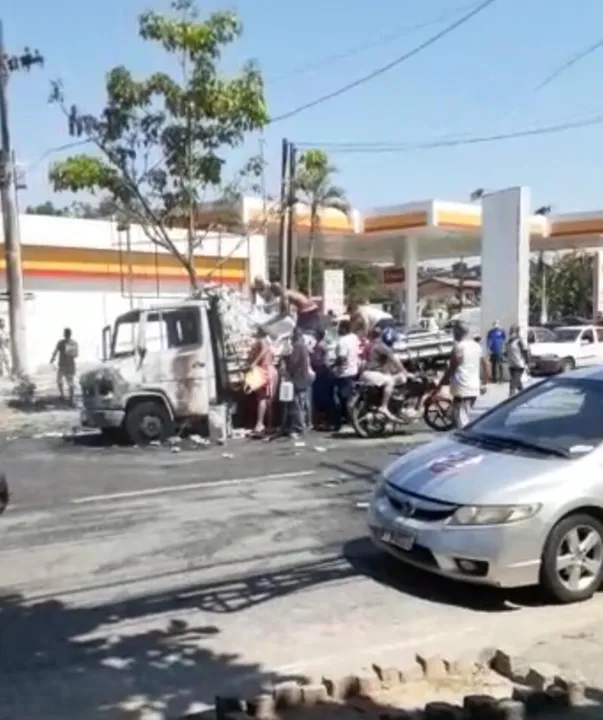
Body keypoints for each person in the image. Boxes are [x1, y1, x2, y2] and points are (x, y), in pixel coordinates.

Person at [433, 320, 487, 429]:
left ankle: (464, 439)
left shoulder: (459, 347)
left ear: (457, 332)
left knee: (460, 419)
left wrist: (441, 383)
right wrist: (485, 381)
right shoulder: (477, 346)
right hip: (474, 386)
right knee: (462, 415)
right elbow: (486, 364)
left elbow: (452, 368)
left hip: (462, 387)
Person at [360, 326, 411, 420]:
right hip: (372, 374)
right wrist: (404, 371)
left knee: (389, 378)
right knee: (390, 381)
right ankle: (384, 407)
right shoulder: (382, 347)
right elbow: (395, 361)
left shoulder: (368, 345)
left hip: (365, 374)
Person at [282, 327, 313, 439]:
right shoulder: (303, 346)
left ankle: (299, 427)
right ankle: (305, 424)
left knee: (296, 404)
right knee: (303, 403)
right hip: (304, 378)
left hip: (298, 379)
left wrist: (285, 359)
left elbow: (293, 363)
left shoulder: (297, 346)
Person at [247, 327, 277, 436]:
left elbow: (264, 350)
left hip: (263, 370)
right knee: (267, 398)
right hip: (266, 370)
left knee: (262, 398)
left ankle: (260, 423)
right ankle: (268, 424)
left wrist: (254, 362)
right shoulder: (268, 342)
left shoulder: (262, 341)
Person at [332, 319, 360, 431]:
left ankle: (344, 423)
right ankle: (350, 421)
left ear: (343, 329)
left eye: (339, 327)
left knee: (341, 400)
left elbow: (342, 359)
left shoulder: (342, 341)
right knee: (350, 398)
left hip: (344, 374)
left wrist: (333, 366)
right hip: (353, 371)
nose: (338, 330)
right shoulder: (354, 338)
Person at [310, 328, 335, 430]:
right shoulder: (322, 344)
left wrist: (311, 355)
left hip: (322, 371)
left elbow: (317, 360)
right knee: (324, 397)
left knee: (321, 397)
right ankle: (325, 420)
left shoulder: (320, 346)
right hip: (324, 371)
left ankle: (324, 421)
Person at [50, 328, 79, 406]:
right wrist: (52, 358)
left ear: (65, 334)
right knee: (65, 382)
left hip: (66, 365)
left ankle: (69, 398)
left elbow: (75, 354)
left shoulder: (69, 343)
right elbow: (76, 355)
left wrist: (52, 359)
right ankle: (67, 397)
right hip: (66, 365)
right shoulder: (70, 343)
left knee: (67, 382)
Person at [506, 324, 530, 396]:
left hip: (519, 364)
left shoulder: (519, 341)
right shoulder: (509, 342)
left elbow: (525, 352)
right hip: (511, 364)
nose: (511, 333)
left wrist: (527, 363)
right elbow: (507, 352)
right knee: (518, 382)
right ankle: (524, 395)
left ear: (516, 332)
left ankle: (511, 394)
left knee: (513, 381)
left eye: (512, 331)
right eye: (510, 331)